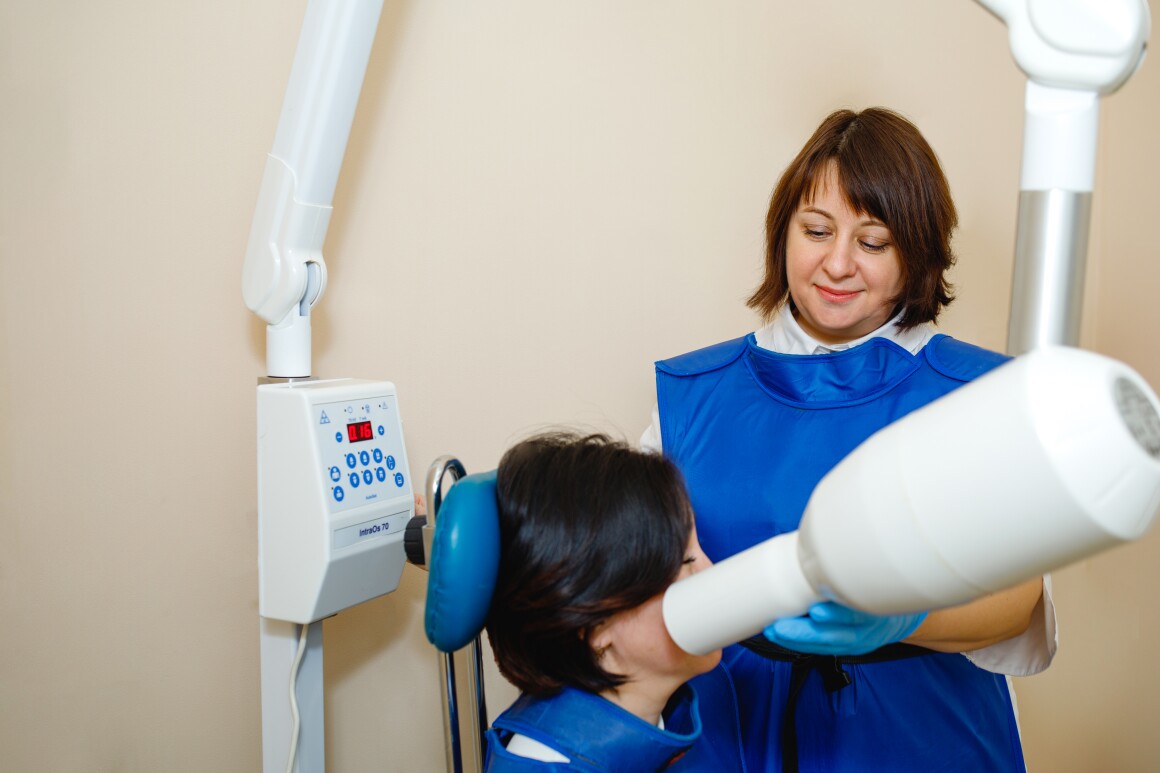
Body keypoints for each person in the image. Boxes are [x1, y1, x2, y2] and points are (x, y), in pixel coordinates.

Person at [642, 107, 1057, 772]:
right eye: (816, 231)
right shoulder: (690, 399)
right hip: (732, 738)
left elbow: (1018, 598)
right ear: (783, 232)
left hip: (925, 742)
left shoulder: (976, 393)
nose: (837, 263)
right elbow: (626, 577)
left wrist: (906, 620)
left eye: (873, 242)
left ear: (915, 252)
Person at [482, 431, 748, 772]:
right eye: (685, 561)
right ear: (595, 625)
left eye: (699, 549)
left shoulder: (687, 700)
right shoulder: (543, 764)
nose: (711, 572)